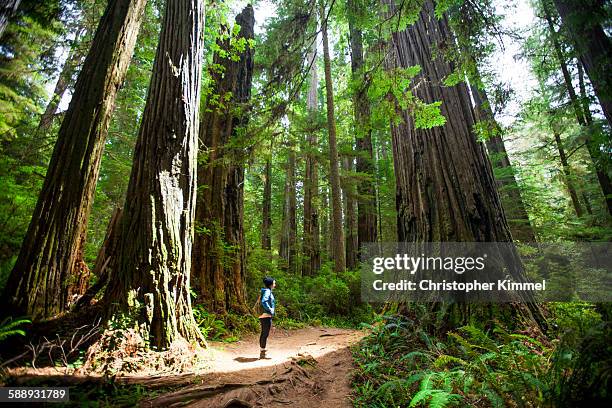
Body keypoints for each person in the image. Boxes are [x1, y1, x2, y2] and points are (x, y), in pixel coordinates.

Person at [259, 277, 276, 359]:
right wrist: (270, 309)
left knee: (264, 333)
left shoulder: (267, 291)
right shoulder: (268, 291)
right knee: (265, 333)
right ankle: (262, 352)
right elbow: (264, 301)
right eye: (274, 283)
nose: (275, 285)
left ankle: (262, 350)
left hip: (264, 315)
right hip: (266, 315)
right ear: (270, 284)